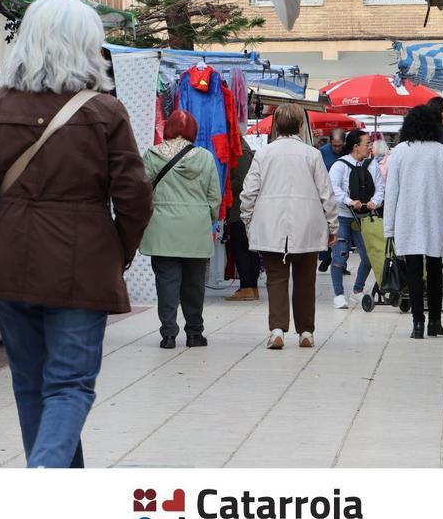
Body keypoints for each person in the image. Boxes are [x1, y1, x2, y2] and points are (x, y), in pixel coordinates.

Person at [0, 0, 153, 468]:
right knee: (70, 385)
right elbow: (135, 197)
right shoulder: (105, 112)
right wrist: (118, 252)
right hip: (83, 265)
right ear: (87, 46)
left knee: (32, 384)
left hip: (6, 263)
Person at [240, 103, 338, 350]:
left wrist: (248, 220)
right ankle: (306, 331)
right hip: (308, 223)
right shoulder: (312, 154)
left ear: (275, 125)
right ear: (301, 125)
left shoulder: (263, 154)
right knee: (306, 279)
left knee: (276, 278)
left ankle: (277, 330)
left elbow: (249, 192)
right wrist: (332, 225)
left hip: (270, 223)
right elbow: (326, 193)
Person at [383, 105, 443, 340]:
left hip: (407, 219)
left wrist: (388, 226)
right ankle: (435, 322)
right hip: (435, 218)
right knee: (435, 268)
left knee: (413, 272)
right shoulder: (440, 151)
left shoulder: (400, 151)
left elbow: (392, 191)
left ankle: (417, 324)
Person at [140, 110, 222, 348]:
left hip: (162, 228)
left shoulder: (152, 155)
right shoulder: (205, 157)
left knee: (166, 283)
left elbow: (142, 191)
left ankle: (168, 335)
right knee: (194, 285)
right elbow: (213, 196)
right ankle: (195, 333)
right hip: (195, 228)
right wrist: (205, 217)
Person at [327, 129, 385, 309]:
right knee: (340, 256)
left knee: (368, 256)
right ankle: (338, 294)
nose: (370, 147)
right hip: (342, 217)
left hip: (365, 218)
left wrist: (374, 202)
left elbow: (380, 189)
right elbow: (332, 189)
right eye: (367, 144)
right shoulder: (340, 165)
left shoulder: (372, 165)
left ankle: (357, 291)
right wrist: (349, 201)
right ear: (355, 147)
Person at [225, 132, 262, 301]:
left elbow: (240, 181)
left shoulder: (240, 153)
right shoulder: (246, 151)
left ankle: (247, 287)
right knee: (249, 248)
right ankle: (251, 287)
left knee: (241, 248)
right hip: (247, 207)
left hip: (239, 208)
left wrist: (224, 188)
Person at [316, 128, 347, 272]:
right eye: (334, 145)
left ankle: (341, 263)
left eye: (339, 145)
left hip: (343, 197)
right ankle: (325, 257)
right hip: (326, 195)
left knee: (342, 232)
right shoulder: (322, 152)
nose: (336, 148)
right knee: (326, 227)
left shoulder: (347, 152)